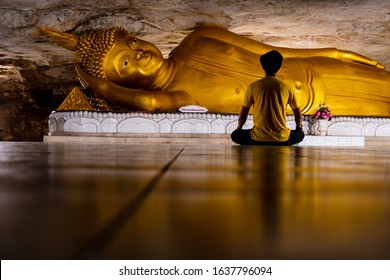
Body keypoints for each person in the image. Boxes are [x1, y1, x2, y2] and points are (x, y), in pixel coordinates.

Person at [39, 26, 390, 116]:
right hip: (320, 105)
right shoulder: (178, 96)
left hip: (321, 70)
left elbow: (274, 51)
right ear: (122, 78)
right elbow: (147, 104)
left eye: (133, 43)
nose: (140, 54)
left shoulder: (198, 37)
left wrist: (336, 52)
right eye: (126, 63)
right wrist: (100, 88)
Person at [231, 50, 304, 146]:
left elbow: (244, 113)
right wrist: (299, 128)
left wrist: (238, 128)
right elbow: (298, 116)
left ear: (262, 66)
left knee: (235, 135)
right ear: (279, 66)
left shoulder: (253, 86)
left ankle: (255, 140)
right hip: (282, 139)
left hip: (257, 138)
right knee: (300, 135)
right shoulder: (287, 87)